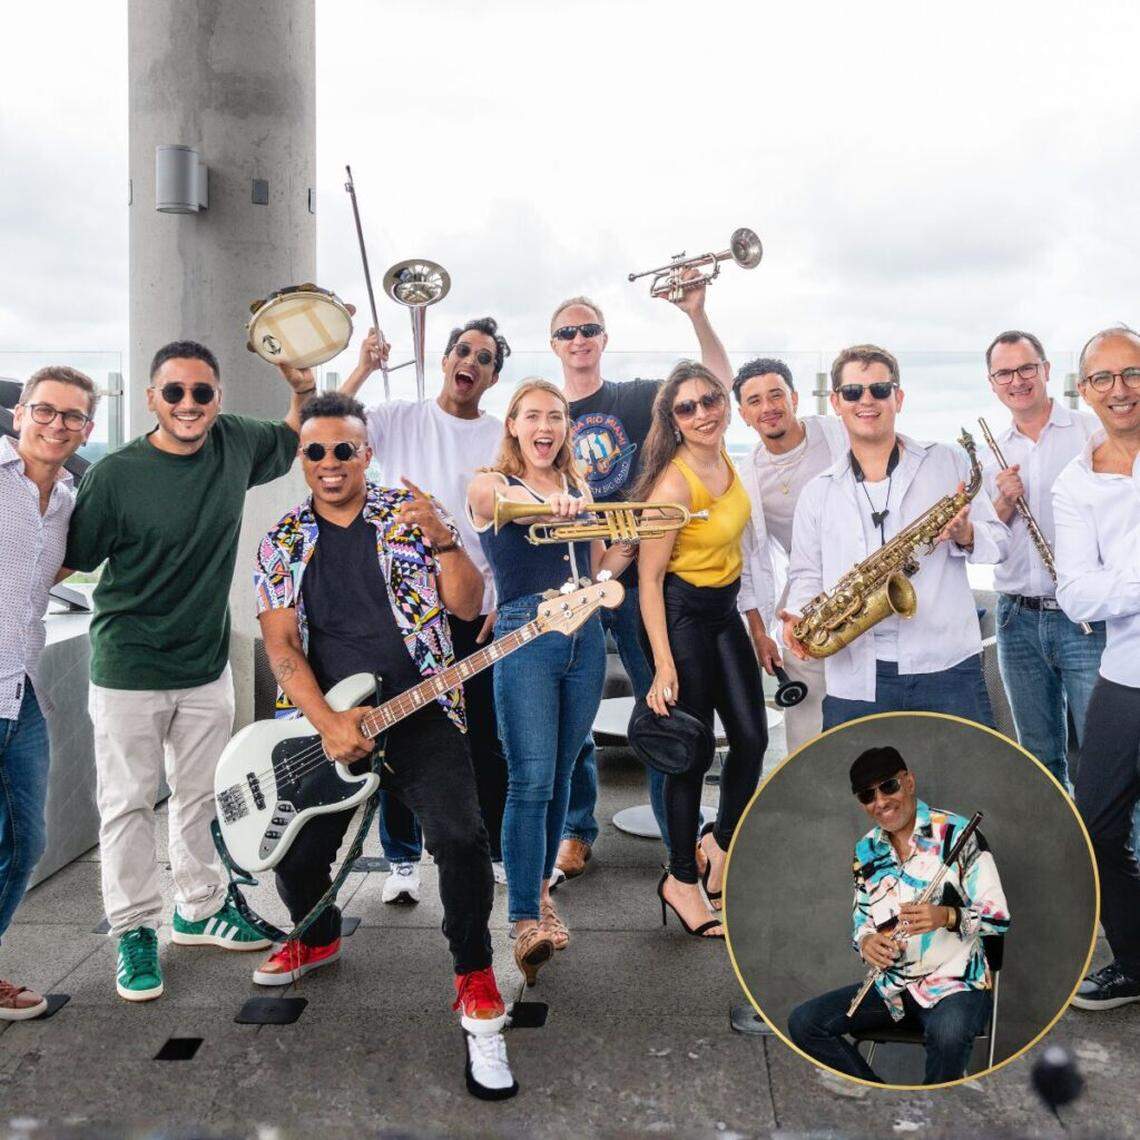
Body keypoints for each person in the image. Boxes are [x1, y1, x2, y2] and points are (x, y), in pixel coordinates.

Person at [252, 391, 516, 1099]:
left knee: (460, 838)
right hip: (328, 720)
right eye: (316, 450)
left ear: (367, 453)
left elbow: (467, 606)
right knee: (295, 853)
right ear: (302, 458)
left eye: (345, 449)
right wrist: (327, 722)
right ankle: (318, 934)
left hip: (420, 708)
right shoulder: (281, 540)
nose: (331, 462)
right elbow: (281, 645)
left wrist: (446, 539)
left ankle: (475, 976)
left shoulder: (410, 515)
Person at [62, 340, 309, 1002]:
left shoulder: (234, 443)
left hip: (204, 666)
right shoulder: (115, 475)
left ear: (218, 398)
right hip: (128, 668)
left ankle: (198, 908)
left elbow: (293, 434)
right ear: (152, 399)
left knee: (201, 797)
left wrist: (302, 387)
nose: (189, 404)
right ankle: (134, 929)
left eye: (202, 392)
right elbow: (64, 559)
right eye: (174, 392)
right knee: (127, 804)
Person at [550, 280, 732, 881]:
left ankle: (679, 837)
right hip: (574, 577)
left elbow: (714, 385)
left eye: (589, 329)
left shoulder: (632, 396)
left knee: (661, 703)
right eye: (567, 332)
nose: (579, 339)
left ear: (604, 338)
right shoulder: (546, 412)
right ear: (554, 345)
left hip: (636, 574)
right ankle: (576, 830)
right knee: (570, 713)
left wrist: (697, 314)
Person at [338, 317, 511, 902]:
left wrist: (499, 596)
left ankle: (493, 849)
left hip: (475, 605)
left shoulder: (500, 436)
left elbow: (506, 529)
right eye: (463, 350)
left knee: (483, 733)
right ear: (444, 359)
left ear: (492, 377)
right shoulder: (399, 417)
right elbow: (330, 424)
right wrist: (364, 365)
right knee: (399, 730)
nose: (471, 362)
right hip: (406, 607)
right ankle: (401, 859)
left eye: (484, 358)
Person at [468, 379, 632, 983]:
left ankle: (540, 896)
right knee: (530, 778)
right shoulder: (490, 483)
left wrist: (626, 544)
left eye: (556, 417)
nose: (545, 426)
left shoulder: (579, 488)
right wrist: (552, 507)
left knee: (562, 773)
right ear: (512, 424)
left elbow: (599, 568)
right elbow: (501, 506)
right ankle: (521, 918)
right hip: (528, 632)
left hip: (584, 634)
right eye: (532, 416)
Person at [783, 345, 1008, 729]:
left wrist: (967, 533)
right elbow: (805, 573)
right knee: (852, 771)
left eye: (879, 390)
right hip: (857, 672)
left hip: (948, 666)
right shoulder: (817, 491)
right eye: (852, 392)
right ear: (836, 402)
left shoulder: (948, 462)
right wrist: (798, 618)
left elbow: (999, 542)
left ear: (898, 398)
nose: (866, 401)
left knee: (963, 769)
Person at [636, 361, 769, 938]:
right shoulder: (672, 485)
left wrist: (756, 621)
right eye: (686, 408)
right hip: (681, 614)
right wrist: (663, 663)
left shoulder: (729, 460)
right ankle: (681, 877)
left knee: (752, 739)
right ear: (673, 420)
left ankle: (718, 843)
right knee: (689, 752)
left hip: (724, 610)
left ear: (725, 404)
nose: (702, 414)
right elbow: (648, 581)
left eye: (710, 400)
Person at [788, 746, 1010, 1085]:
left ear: (909, 782)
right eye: (867, 795)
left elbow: (999, 918)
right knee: (805, 1023)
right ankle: (881, 1101)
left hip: (956, 984)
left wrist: (947, 916)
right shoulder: (866, 850)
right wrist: (866, 942)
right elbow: (862, 921)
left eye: (888, 786)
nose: (880, 801)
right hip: (893, 987)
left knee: (948, 1034)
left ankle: (934, 1113)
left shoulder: (957, 833)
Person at [0, 366, 96, 1020]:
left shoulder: (66, 499)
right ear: (19, 415)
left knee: (25, 844)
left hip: (23, 693)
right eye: (44, 410)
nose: (56, 424)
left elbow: (45, 574)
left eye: (71, 416)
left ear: (86, 429)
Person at [1053, 325, 1140, 1011]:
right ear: (1084, 390)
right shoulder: (1074, 483)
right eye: (1104, 378)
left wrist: (1120, 581)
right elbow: (1077, 596)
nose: (1120, 389)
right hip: (1128, 673)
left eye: (1132, 372)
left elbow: (1099, 586)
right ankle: (1135, 963)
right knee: (1097, 826)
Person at [980, 330, 1103, 790]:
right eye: (1005, 373)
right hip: (1017, 620)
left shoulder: (1091, 434)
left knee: (1105, 754)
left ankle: (1112, 842)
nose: (1017, 380)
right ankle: (1060, 838)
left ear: (1047, 370)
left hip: (1085, 618)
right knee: (1038, 758)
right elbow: (984, 543)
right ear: (992, 383)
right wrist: (1004, 504)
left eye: (1026, 368)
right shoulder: (987, 453)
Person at [733, 357, 848, 753]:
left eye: (776, 395)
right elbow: (747, 563)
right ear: (743, 415)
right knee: (807, 723)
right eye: (754, 401)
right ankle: (808, 780)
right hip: (805, 601)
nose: (768, 407)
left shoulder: (838, 433)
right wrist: (759, 633)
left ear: (795, 398)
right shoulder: (746, 477)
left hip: (865, 582)